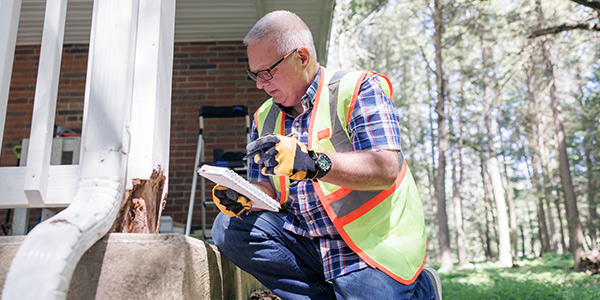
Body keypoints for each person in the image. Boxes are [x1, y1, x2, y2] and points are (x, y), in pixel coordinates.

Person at [211, 10, 441, 300]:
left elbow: (385, 168)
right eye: (254, 74)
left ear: (302, 57)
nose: (260, 84)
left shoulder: (358, 89)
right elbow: (267, 187)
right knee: (228, 227)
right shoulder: (264, 117)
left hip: (372, 245)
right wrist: (244, 194)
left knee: (365, 293)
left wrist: (312, 163)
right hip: (306, 238)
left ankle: (422, 290)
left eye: (267, 72)